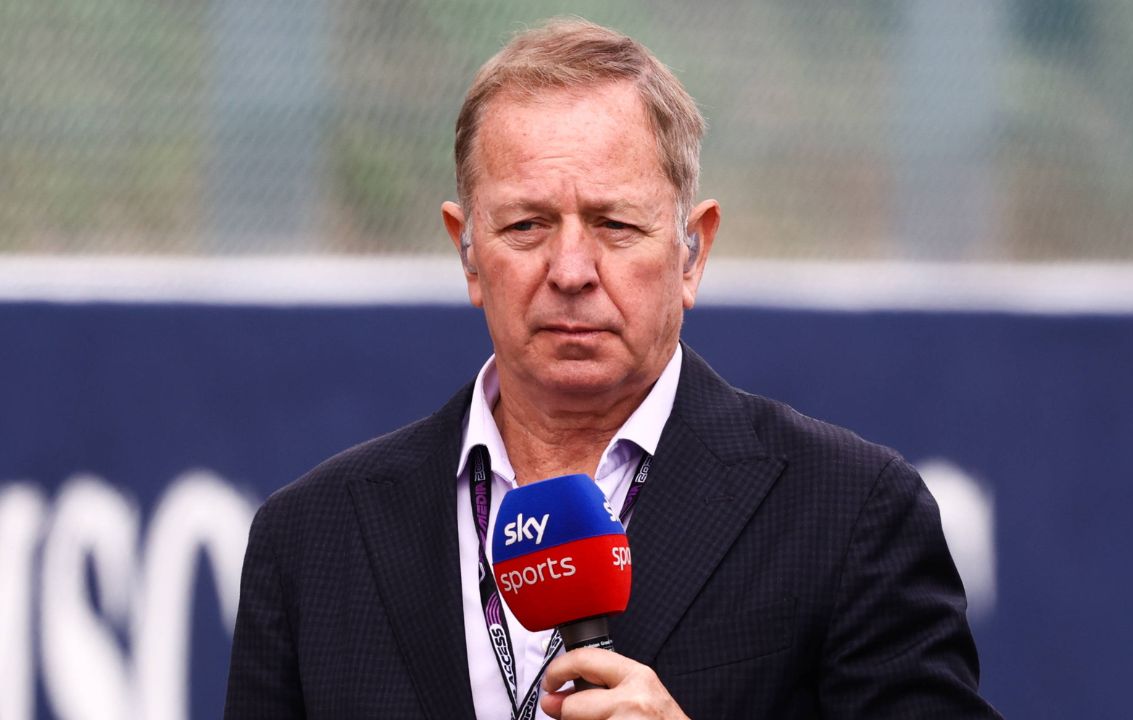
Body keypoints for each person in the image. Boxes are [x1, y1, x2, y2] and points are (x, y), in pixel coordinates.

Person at [224, 17, 1001, 720]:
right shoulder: (311, 542)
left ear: (693, 250)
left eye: (614, 224)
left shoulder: (847, 514)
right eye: (526, 225)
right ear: (466, 251)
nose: (570, 269)